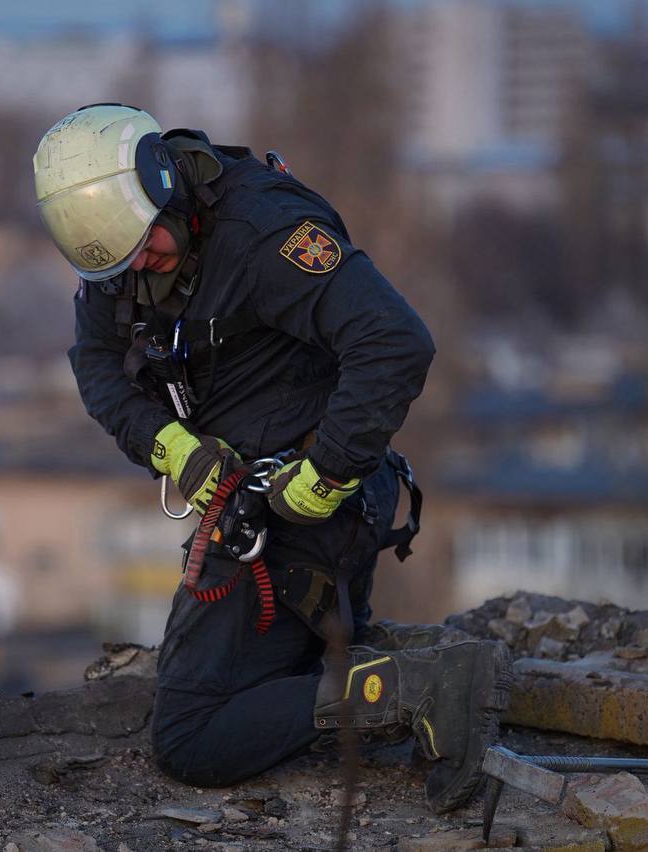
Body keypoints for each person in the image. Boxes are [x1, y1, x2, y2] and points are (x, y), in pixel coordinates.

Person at [32, 104, 513, 812]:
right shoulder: (118, 254)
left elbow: (396, 342)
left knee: (192, 735)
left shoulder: (265, 235)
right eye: (125, 264)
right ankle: (366, 664)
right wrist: (169, 447)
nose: (141, 269)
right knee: (269, 687)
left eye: (150, 251)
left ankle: (417, 686)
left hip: (311, 504)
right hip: (249, 500)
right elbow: (97, 364)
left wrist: (324, 477)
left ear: (167, 188)